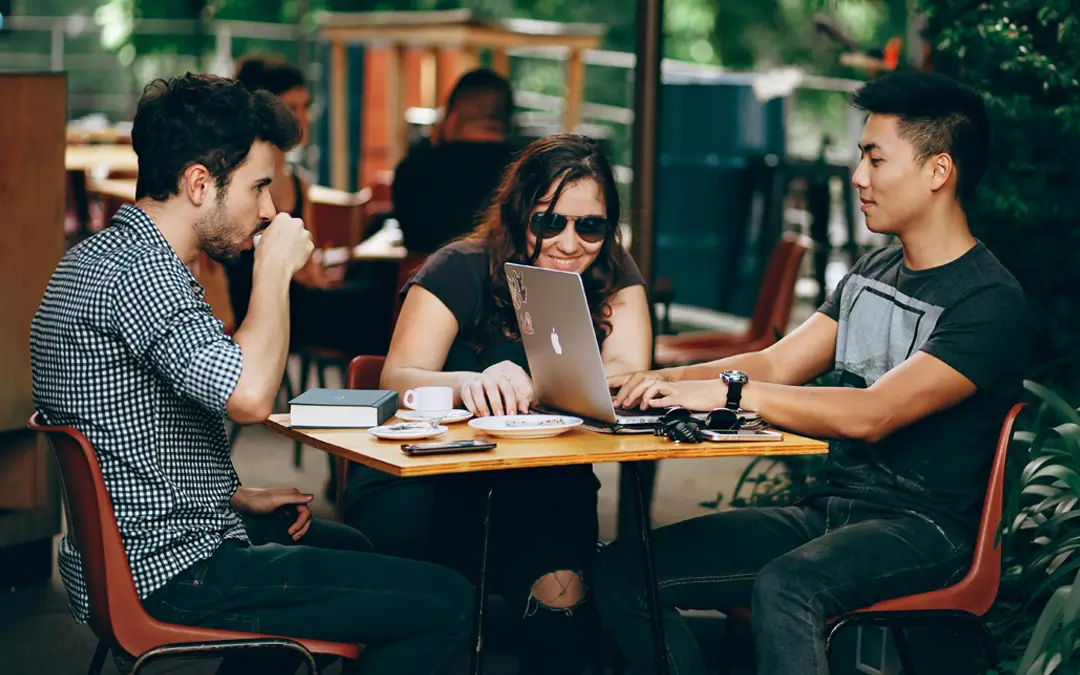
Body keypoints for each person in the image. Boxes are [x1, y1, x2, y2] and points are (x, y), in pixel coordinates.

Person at [30, 73, 473, 675]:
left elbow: (126, 432)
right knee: (446, 602)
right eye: (259, 187)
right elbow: (251, 397)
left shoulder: (98, 259)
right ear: (198, 183)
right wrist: (273, 271)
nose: (270, 209)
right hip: (175, 571)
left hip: (132, 554)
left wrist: (229, 495)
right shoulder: (143, 277)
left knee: (350, 545)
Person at [594, 71, 1031, 675]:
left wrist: (723, 391)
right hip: (831, 511)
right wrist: (657, 381)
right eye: (861, 158)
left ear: (938, 171)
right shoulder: (874, 270)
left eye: (876, 160)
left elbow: (874, 413)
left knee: (786, 588)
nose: (859, 177)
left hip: (926, 530)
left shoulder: (988, 301)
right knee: (625, 573)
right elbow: (777, 362)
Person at [343, 134, 653, 674]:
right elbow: (394, 380)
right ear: (518, 217)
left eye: (591, 225)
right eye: (549, 222)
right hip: (430, 478)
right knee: (454, 601)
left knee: (567, 615)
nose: (570, 242)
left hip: (540, 483)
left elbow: (627, 371)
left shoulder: (611, 273)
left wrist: (545, 381)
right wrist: (471, 383)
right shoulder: (459, 267)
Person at [391, 68, 520, 254]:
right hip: (503, 281)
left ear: (452, 117)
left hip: (427, 280)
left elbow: (411, 243)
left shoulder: (412, 170)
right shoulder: (526, 172)